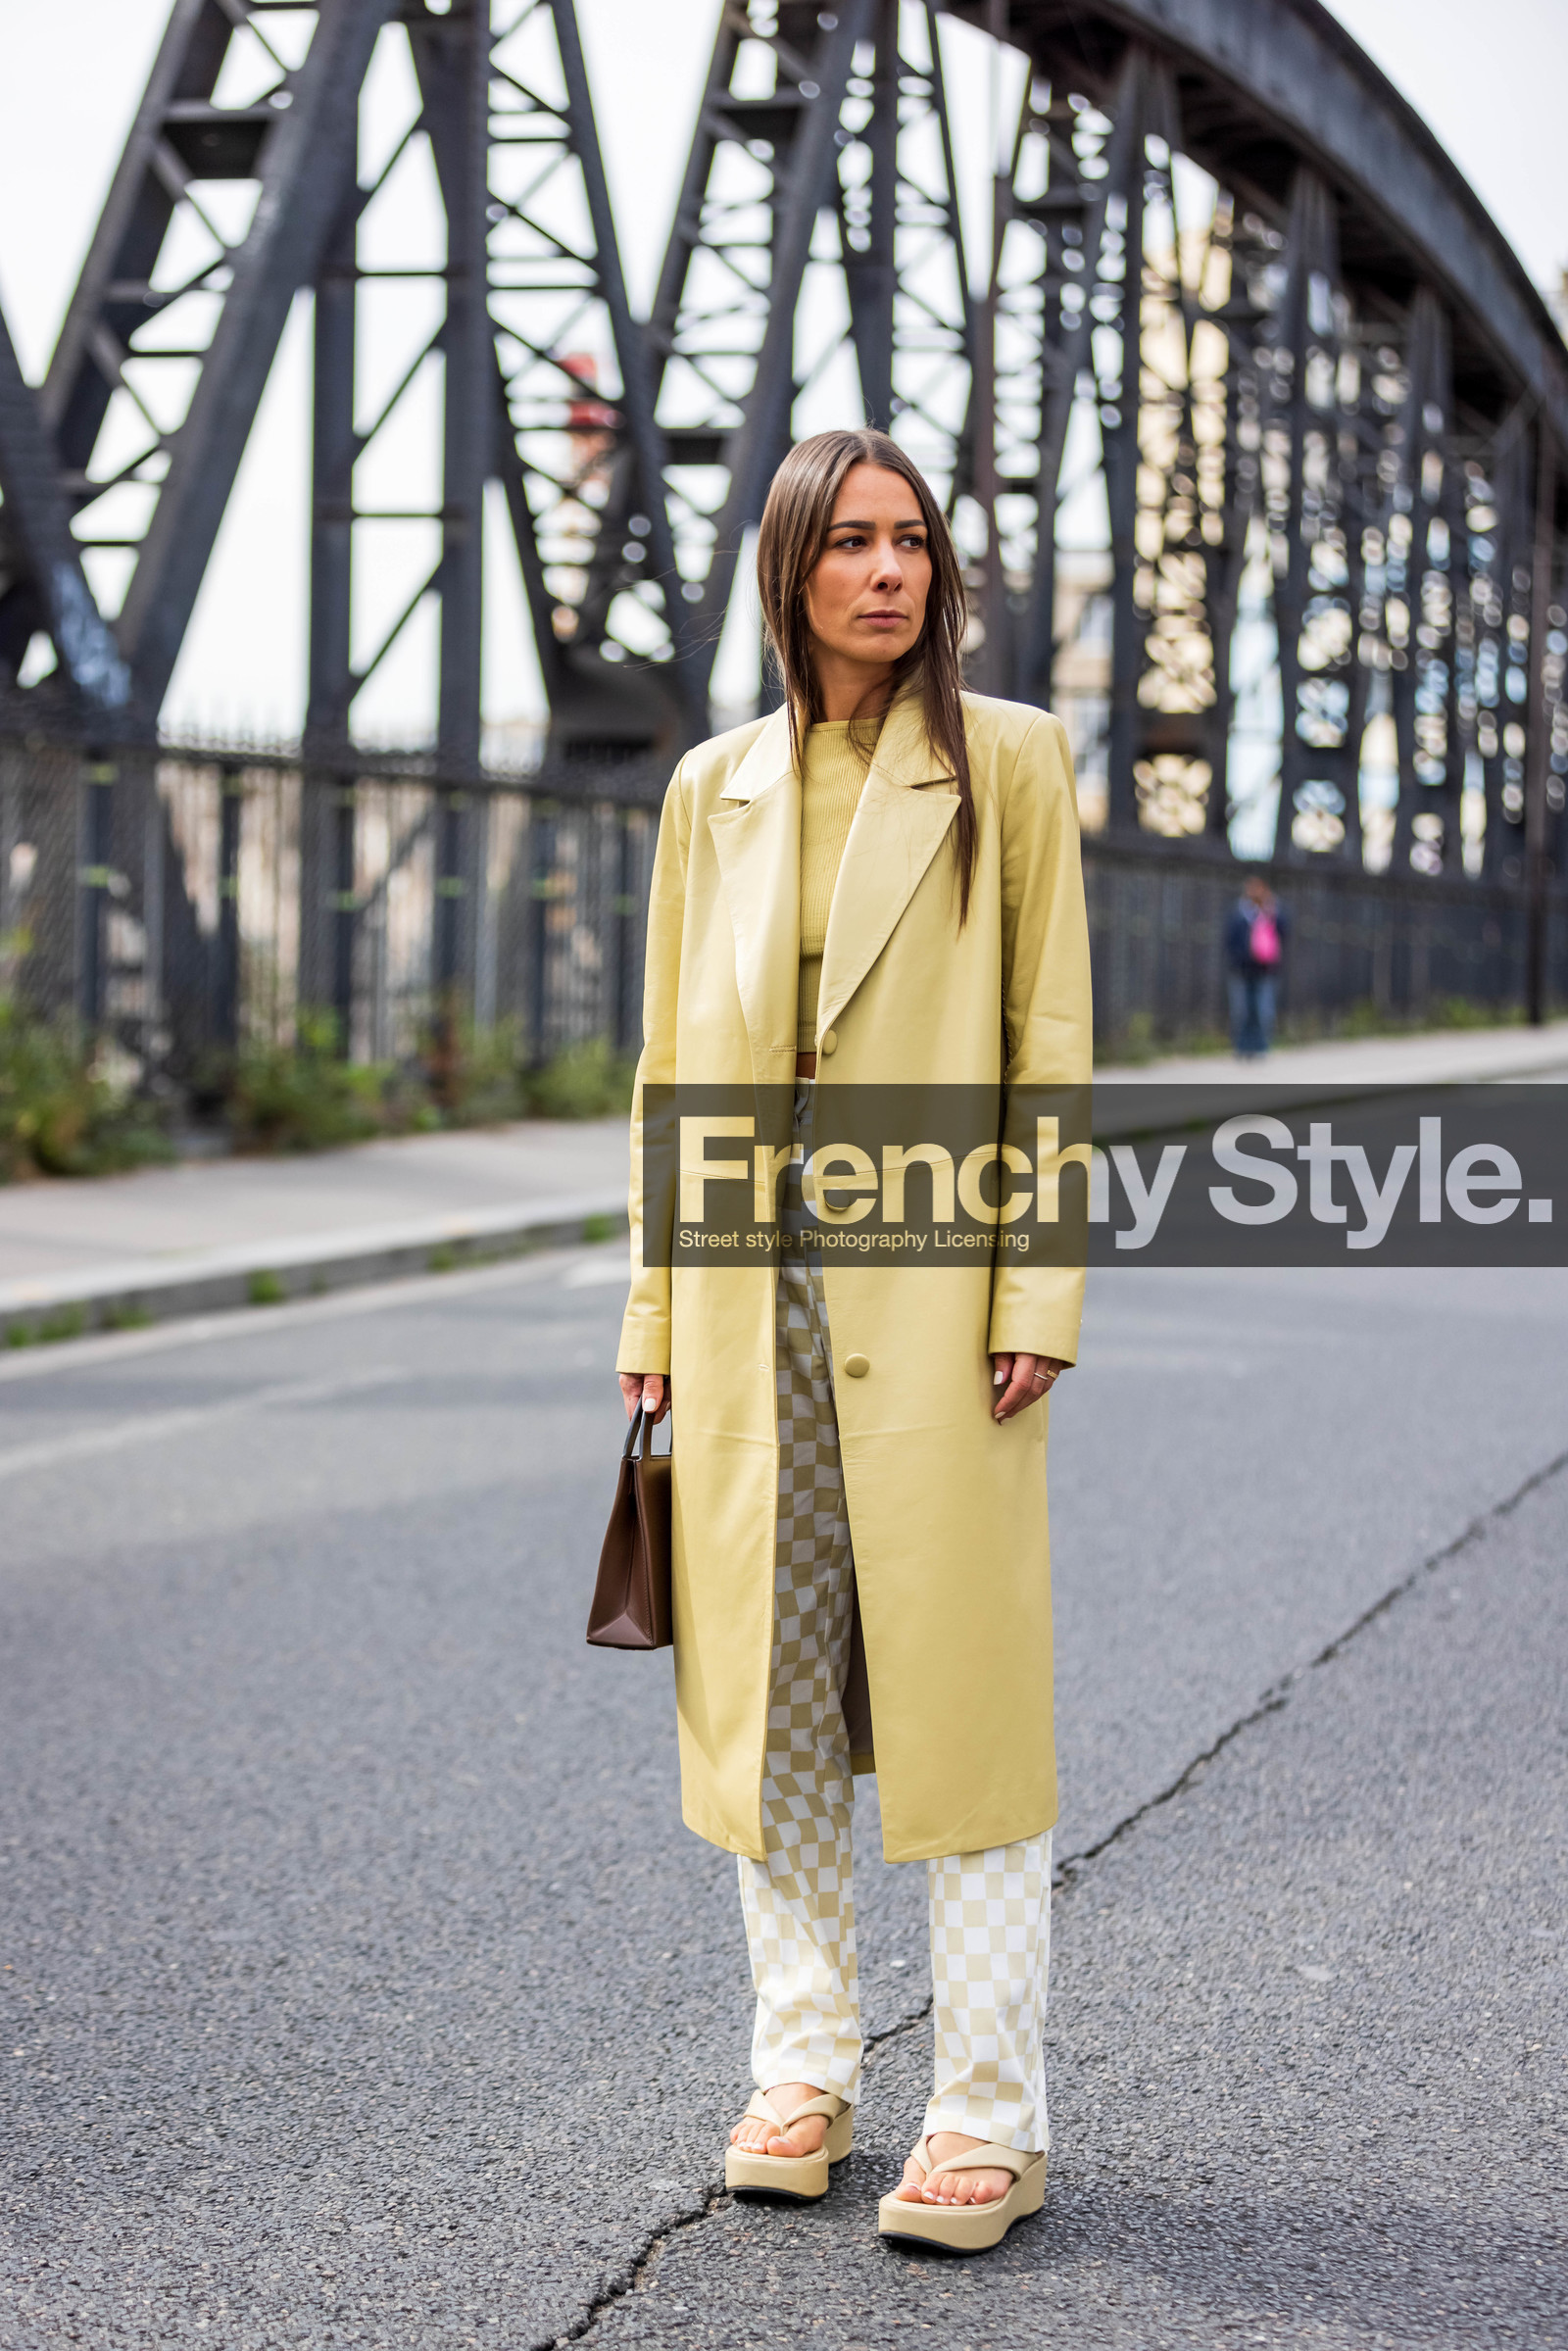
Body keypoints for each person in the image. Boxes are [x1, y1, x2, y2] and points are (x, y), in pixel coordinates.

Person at [614, 428, 1092, 2254]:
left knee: (964, 1700)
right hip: (745, 1290)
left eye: (914, 542)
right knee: (768, 1689)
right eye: (853, 542)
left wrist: (1034, 1285)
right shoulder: (713, 787)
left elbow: (1048, 1041)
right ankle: (802, 2063)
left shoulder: (1012, 764)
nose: (889, 571)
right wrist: (654, 1305)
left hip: (933, 1284)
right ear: (792, 569)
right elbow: (671, 1065)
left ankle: (992, 2108)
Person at [1224, 873, 1286, 1057]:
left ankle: (1261, 1046)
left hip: (1264, 970)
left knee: (1263, 1010)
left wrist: (1269, 911)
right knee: (1242, 1011)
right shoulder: (1239, 914)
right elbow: (1229, 940)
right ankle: (1242, 1047)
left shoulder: (1271, 913)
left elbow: (1284, 931)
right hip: (1241, 970)